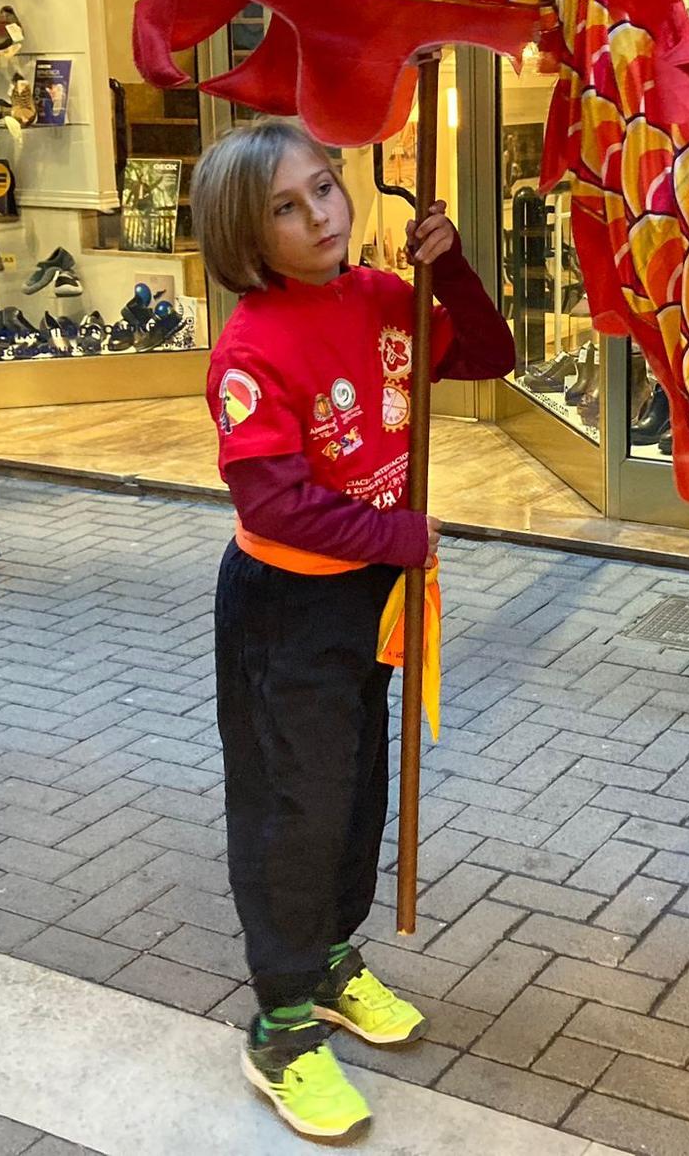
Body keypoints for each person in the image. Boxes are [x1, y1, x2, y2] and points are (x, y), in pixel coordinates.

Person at [196, 120, 513, 1140]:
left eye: (323, 188)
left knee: (356, 791)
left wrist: (448, 264)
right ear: (244, 234)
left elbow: (492, 354)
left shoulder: (384, 298)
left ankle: (332, 957)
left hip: (368, 600)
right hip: (286, 611)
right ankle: (281, 1024)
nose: (318, 215)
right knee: (293, 808)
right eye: (285, 207)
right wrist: (397, 532)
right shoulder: (250, 346)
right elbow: (274, 501)